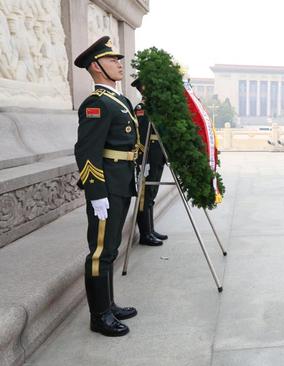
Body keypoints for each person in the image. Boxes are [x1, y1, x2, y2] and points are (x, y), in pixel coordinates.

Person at [73, 36, 139, 337]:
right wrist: (95, 193)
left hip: (122, 182)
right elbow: (87, 152)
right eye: (113, 60)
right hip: (107, 188)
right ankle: (99, 316)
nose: (119, 63)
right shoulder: (96, 104)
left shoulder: (120, 101)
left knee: (110, 249)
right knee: (100, 252)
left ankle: (109, 304)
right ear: (96, 67)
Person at [131, 78, 167, 246]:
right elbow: (142, 136)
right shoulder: (142, 109)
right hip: (147, 157)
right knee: (144, 196)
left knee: (151, 194)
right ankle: (145, 234)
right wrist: (142, 160)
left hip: (157, 156)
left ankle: (150, 230)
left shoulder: (155, 108)